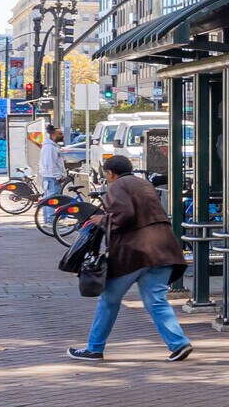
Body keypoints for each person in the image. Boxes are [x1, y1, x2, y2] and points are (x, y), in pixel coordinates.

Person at [67, 155, 192, 362]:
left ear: (110, 173)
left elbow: (125, 213)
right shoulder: (144, 184)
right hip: (164, 248)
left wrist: (103, 219)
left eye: (106, 175)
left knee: (108, 299)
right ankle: (179, 344)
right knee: (156, 300)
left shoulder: (117, 186)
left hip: (135, 252)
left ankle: (94, 348)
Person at [39, 126, 66, 201]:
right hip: (53, 180)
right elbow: (50, 165)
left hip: (51, 179)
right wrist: (58, 177)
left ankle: (48, 213)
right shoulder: (50, 148)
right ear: (53, 136)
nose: (62, 135)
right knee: (52, 202)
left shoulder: (51, 147)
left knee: (49, 201)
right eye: (60, 134)